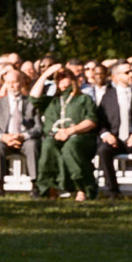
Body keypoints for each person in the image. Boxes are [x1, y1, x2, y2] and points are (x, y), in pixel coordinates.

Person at [33, 67, 100, 200]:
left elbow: (91, 121)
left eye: (65, 77)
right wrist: (45, 75)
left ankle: (82, 188)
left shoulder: (83, 99)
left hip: (81, 136)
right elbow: (33, 98)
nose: (62, 81)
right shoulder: (53, 100)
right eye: (59, 78)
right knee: (48, 146)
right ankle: (51, 187)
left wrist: (70, 131)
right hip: (56, 136)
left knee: (71, 147)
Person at [93, 62, 132, 199]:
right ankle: (113, 190)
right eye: (127, 72)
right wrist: (106, 134)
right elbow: (100, 121)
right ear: (116, 77)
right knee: (103, 150)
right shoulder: (107, 97)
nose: (131, 75)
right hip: (114, 139)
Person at [0, 65, 40, 195]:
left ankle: (35, 184)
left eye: (14, 82)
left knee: (33, 145)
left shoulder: (30, 103)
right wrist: (4, 137)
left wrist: (23, 136)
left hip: (24, 140)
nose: (11, 86)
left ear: (21, 83)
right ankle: (0, 185)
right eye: (8, 83)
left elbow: (38, 127)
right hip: (5, 139)